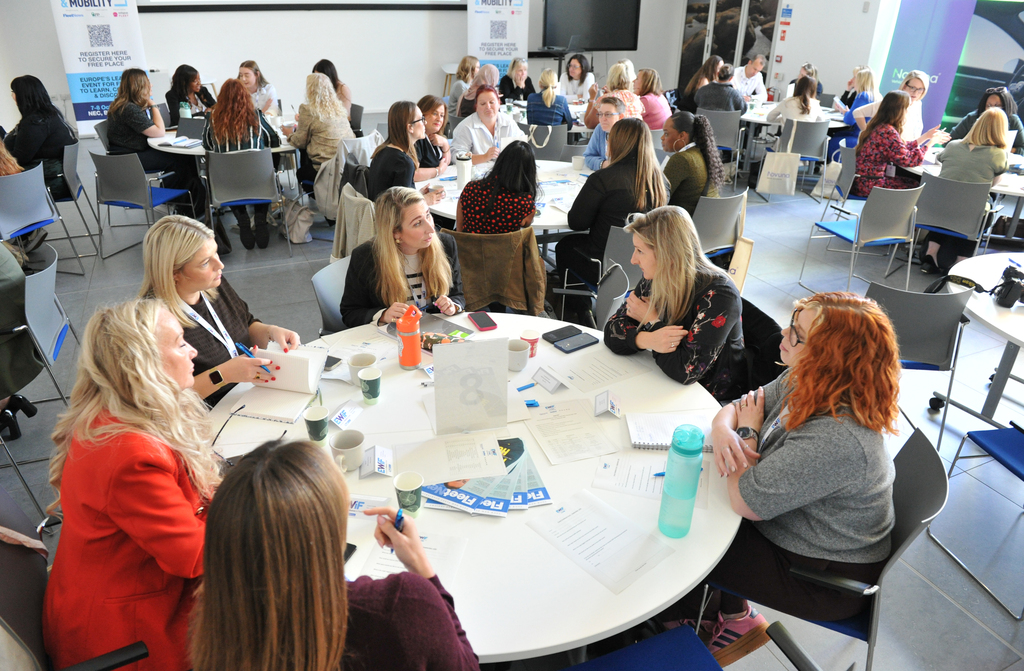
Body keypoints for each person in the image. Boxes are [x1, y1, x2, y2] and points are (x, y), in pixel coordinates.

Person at [659, 292, 900, 665]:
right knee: (699, 504)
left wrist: (746, 434)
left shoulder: (839, 438)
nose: (783, 336)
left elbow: (745, 500)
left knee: (686, 536)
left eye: (797, 335)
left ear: (830, 358)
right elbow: (738, 408)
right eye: (793, 326)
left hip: (820, 576)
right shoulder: (810, 377)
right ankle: (726, 613)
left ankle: (694, 623)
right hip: (794, 528)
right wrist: (725, 430)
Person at [190, 439, 480, 671]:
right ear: (329, 532)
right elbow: (467, 665)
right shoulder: (401, 606)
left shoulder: (219, 626)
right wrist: (424, 571)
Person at [43, 298, 222, 671]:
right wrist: (263, 516)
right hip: (126, 634)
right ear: (144, 365)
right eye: (179, 343)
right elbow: (193, 556)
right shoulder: (131, 455)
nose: (192, 351)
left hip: (115, 593)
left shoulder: (113, 415)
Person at [139, 216, 301, 406]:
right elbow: (165, 400)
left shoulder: (213, 284)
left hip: (248, 394)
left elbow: (245, 324)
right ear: (174, 273)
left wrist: (270, 332)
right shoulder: (153, 321)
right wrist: (224, 375)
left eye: (216, 253)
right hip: (207, 412)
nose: (220, 265)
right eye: (205, 263)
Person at [604, 206, 743, 401]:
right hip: (662, 380)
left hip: (707, 399)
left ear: (667, 255)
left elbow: (686, 371)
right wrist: (648, 339)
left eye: (640, 251)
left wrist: (651, 321)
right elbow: (612, 330)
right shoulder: (656, 277)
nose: (633, 260)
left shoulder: (720, 296)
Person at [558, 118, 668, 323]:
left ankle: (579, 309)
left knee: (565, 245)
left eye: (609, 139)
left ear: (617, 143)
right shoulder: (661, 183)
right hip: (648, 269)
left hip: (604, 267)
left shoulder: (603, 179)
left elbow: (576, 223)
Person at [341, 187, 465, 327]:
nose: (431, 228)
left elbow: (457, 295)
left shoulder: (446, 244)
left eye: (428, 215)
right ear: (395, 232)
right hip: (392, 334)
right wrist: (384, 315)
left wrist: (453, 306)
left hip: (435, 331)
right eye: (417, 223)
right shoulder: (366, 257)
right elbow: (350, 313)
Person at [920, 108, 1010, 273]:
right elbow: (992, 184)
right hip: (968, 214)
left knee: (951, 200)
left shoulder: (953, 146)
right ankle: (960, 261)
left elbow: (941, 161)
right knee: (981, 208)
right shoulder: (998, 154)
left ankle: (931, 251)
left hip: (936, 209)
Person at [105, 68, 203, 218]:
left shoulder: (124, 104)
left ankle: (188, 202)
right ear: (140, 86)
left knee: (183, 159)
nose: (151, 86)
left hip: (128, 151)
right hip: (129, 157)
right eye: (148, 83)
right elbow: (159, 131)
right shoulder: (129, 108)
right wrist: (153, 105)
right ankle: (185, 204)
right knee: (179, 161)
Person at [201, 78, 280, 249]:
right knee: (268, 167)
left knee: (229, 177)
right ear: (245, 97)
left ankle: (242, 218)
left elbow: (207, 145)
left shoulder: (212, 118)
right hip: (258, 182)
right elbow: (275, 141)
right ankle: (260, 217)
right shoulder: (256, 116)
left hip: (227, 185)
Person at [850, 90, 942, 197]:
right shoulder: (888, 131)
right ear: (900, 110)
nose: (908, 112)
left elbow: (899, 147)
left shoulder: (878, 125)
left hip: (861, 182)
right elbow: (909, 160)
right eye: (907, 108)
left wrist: (925, 136)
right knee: (916, 184)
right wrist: (931, 143)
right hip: (870, 186)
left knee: (909, 180)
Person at [4, 75, 76, 200]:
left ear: (22, 95)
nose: (12, 96)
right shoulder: (49, 114)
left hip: (50, 182)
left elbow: (20, 158)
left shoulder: (35, 122)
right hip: (59, 177)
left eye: (13, 92)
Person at [282, 73, 355, 187]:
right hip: (348, 166)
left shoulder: (308, 110)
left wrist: (289, 134)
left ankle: (318, 196)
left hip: (325, 168)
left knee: (301, 173)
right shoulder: (339, 108)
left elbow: (299, 142)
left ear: (310, 90)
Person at [368, 100, 446, 204]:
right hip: (389, 214)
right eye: (421, 120)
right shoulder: (403, 162)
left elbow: (397, 196)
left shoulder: (382, 151)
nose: (425, 123)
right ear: (410, 127)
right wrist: (426, 200)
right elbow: (404, 208)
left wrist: (417, 194)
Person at [456, 140, 537, 234]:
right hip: (505, 244)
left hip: (469, 243)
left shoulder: (470, 189)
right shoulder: (525, 204)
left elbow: (459, 231)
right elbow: (526, 224)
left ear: (500, 162)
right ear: (530, 171)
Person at [853, 70, 943, 142]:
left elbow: (913, 136)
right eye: (912, 88)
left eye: (920, 89)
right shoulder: (892, 103)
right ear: (904, 86)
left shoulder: (917, 104)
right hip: (895, 155)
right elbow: (858, 112)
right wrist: (867, 135)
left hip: (909, 153)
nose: (916, 93)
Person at [662, 112, 723, 215]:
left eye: (666, 134)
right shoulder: (705, 153)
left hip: (685, 220)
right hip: (711, 218)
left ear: (682, 135)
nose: (662, 138)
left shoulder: (682, 159)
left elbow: (659, 197)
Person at [451, 86, 526, 165]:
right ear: (476, 107)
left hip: (506, 170)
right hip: (476, 171)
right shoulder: (466, 126)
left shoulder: (508, 122)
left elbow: (523, 146)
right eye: (483, 103)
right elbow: (456, 156)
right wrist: (484, 157)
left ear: (499, 103)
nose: (488, 107)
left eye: (492, 102)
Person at [949, 86, 1024, 154]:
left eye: (997, 106)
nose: (992, 109)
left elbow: (1022, 149)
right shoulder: (972, 118)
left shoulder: (1013, 120)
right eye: (989, 106)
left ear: (1006, 107)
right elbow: (950, 140)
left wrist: (1002, 149)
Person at [828, 67, 878, 160]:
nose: (853, 80)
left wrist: (845, 112)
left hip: (858, 136)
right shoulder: (875, 96)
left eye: (855, 78)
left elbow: (849, 120)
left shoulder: (863, 96)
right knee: (837, 134)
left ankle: (836, 166)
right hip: (868, 136)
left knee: (832, 140)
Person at [583, 63, 644, 128]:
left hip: (616, 133)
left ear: (611, 78)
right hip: (634, 132)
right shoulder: (636, 98)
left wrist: (592, 98)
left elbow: (589, 124)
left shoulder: (605, 99)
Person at [415, 95, 452, 181]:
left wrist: (445, 144)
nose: (439, 119)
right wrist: (438, 171)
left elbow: (446, 163)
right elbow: (414, 174)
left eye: (442, 115)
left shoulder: (436, 136)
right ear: (422, 114)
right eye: (435, 114)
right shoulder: (416, 139)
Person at [582, 96, 625, 171]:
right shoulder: (600, 129)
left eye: (608, 114)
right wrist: (603, 164)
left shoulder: (629, 133)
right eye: (600, 114)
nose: (603, 119)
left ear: (620, 117)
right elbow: (588, 157)